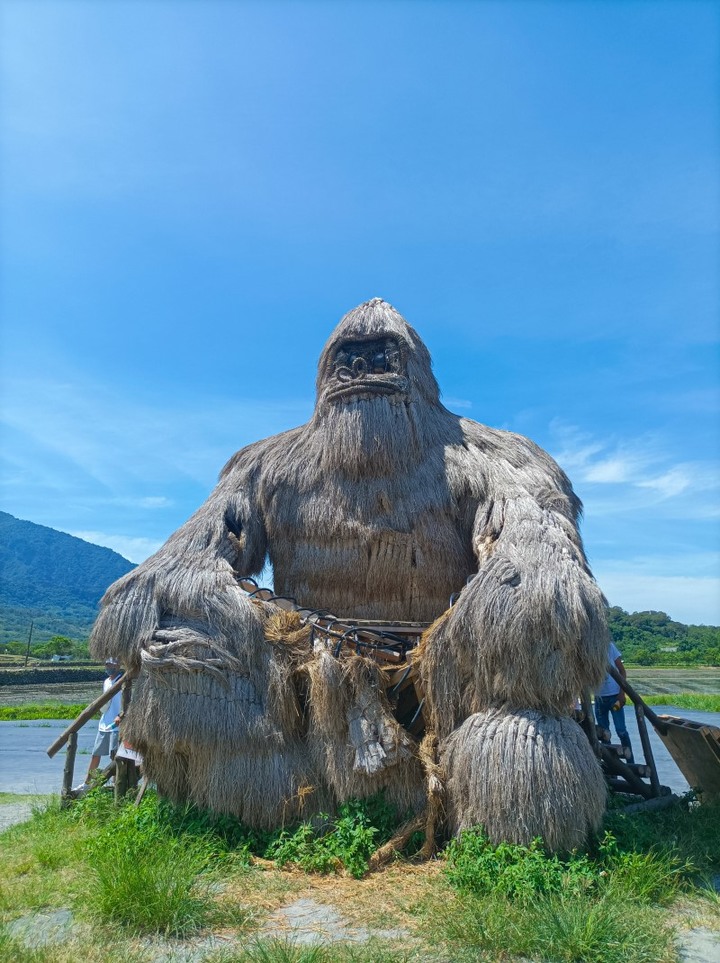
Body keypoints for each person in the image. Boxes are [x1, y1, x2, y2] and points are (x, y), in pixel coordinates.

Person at [73, 657, 124, 791]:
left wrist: (121, 715)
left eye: (111, 664)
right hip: (104, 722)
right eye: (107, 664)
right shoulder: (106, 681)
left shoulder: (124, 680)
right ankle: (87, 783)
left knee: (115, 755)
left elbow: (129, 700)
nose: (108, 667)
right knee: (96, 754)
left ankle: (115, 783)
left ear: (118, 665)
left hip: (117, 724)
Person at [594, 642, 634, 762]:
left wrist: (622, 693)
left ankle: (630, 761)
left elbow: (622, 671)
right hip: (599, 697)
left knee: (621, 730)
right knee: (604, 733)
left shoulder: (609, 646)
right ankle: (610, 763)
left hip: (615, 696)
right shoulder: (587, 647)